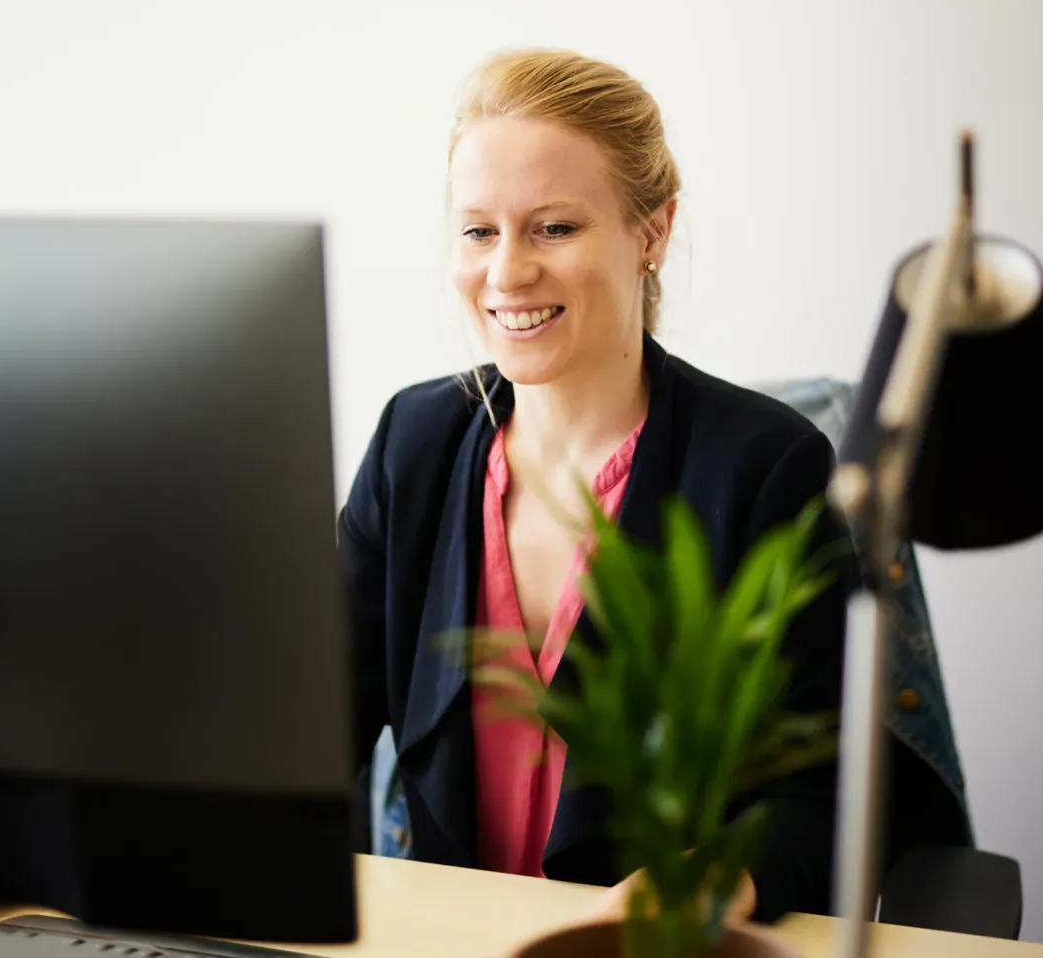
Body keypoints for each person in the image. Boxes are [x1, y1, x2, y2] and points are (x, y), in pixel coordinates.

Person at [339, 47, 857, 924]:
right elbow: (308, 735)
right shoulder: (413, 447)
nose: (506, 272)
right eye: (478, 231)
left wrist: (681, 898)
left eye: (553, 227)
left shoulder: (766, 470)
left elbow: (821, 805)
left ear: (650, 232)